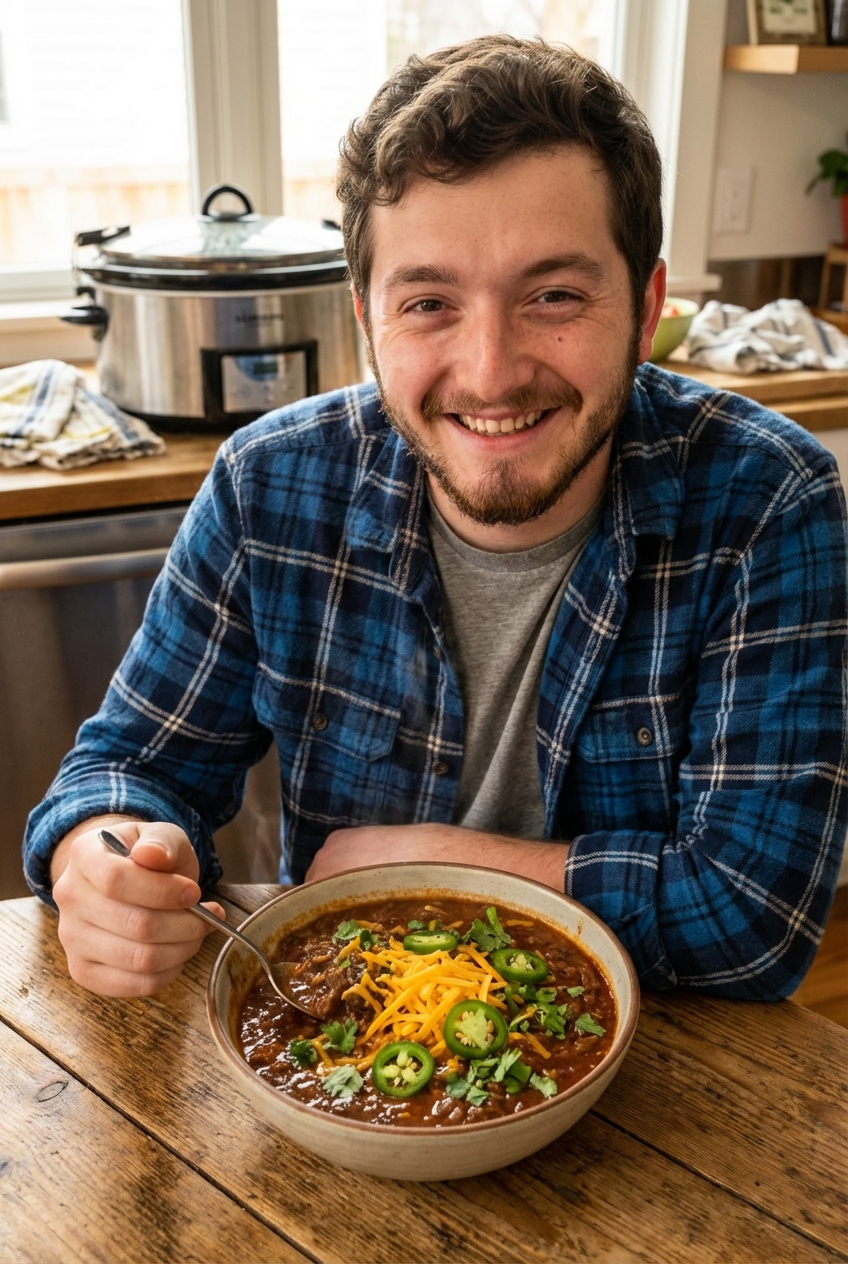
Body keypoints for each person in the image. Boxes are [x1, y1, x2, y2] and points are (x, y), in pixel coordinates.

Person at [25, 36, 847, 1002]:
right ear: (368, 319)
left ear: (645, 304)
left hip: (671, 1069)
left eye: (554, 296)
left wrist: (416, 861)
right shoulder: (268, 483)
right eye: (429, 303)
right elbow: (127, 765)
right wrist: (103, 853)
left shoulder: (769, 497)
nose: (491, 371)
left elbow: (753, 917)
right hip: (341, 1058)